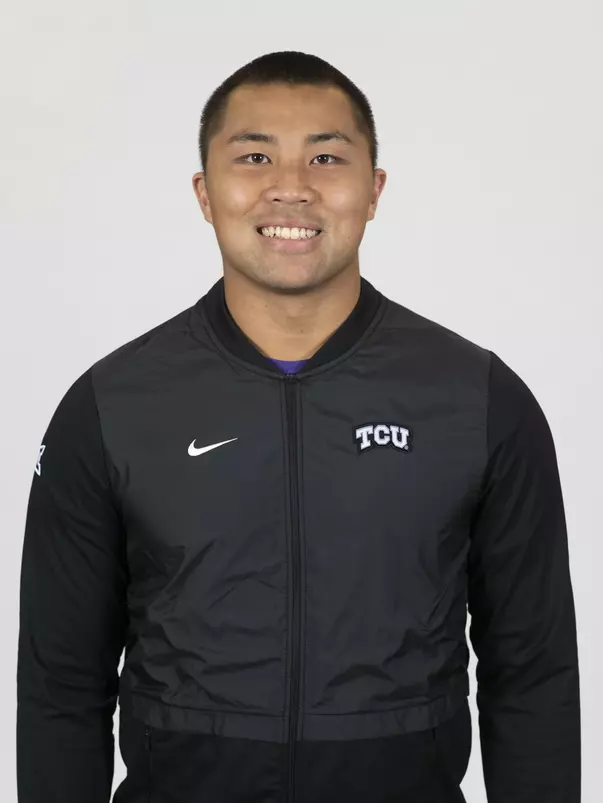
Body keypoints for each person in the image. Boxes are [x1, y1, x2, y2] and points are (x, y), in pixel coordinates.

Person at [16, 50, 581, 803]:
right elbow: (60, 685)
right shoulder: (111, 405)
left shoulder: (477, 398)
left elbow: (532, 671)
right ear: (205, 192)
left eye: (326, 156)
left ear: (373, 189)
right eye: (253, 156)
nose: (290, 186)